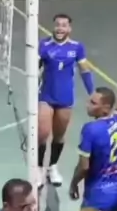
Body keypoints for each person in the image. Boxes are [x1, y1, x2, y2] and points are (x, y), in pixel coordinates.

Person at [38, 14, 94, 188]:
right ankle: (39, 168)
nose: (60, 28)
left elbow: (85, 71)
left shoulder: (77, 47)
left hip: (65, 98)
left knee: (59, 135)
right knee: (42, 133)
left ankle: (52, 167)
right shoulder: (44, 45)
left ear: (69, 28)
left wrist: (92, 93)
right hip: (46, 96)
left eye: (64, 25)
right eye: (57, 25)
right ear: (53, 27)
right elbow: (35, 68)